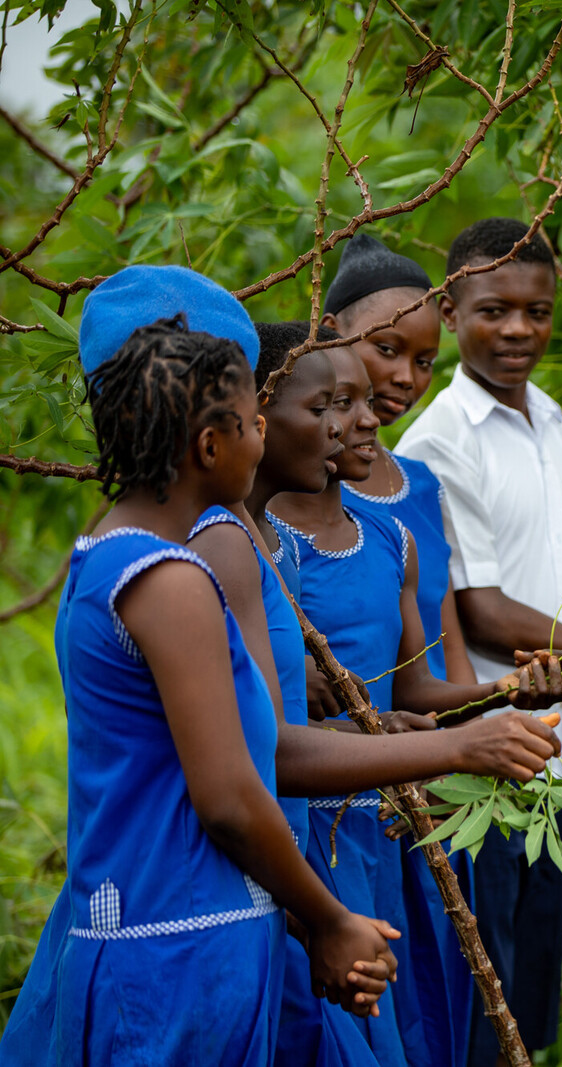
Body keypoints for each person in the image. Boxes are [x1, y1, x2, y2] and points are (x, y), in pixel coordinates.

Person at [0, 309, 398, 1065]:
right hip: (176, 961)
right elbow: (228, 798)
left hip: (190, 942)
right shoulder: (171, 580)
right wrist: (327, 918)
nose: (260, 438)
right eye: (252, 421)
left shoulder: (107, 559)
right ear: (210, 445)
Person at [197, 320, 562, 1067]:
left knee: (413, 1022)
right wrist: (458, 743)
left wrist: (491, 701)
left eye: (361, 402)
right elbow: (263, 746)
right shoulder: (234, 546)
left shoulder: (379, 536)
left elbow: (405, 690)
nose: (361, 422)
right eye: (334, 404)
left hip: (386, 822)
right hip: (306, 836)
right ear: (258, 420)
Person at [396, 218, 562, 1063]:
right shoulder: (434, 443)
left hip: (559, 774)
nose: (518, 331)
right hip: (480, 777)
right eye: (494, 310)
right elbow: (485, 610)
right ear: (451, 309)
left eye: (537, 311)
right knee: (479, 1006)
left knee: (532, 1005)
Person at [322, 234, 473, 684]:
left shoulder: (423, 485)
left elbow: (450, 645)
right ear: (330, 332)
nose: (406, 378)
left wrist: (482, 730)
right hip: (343, 740)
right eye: (386, 349)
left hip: (441, 736)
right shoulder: (301, 483)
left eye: (424, 362)